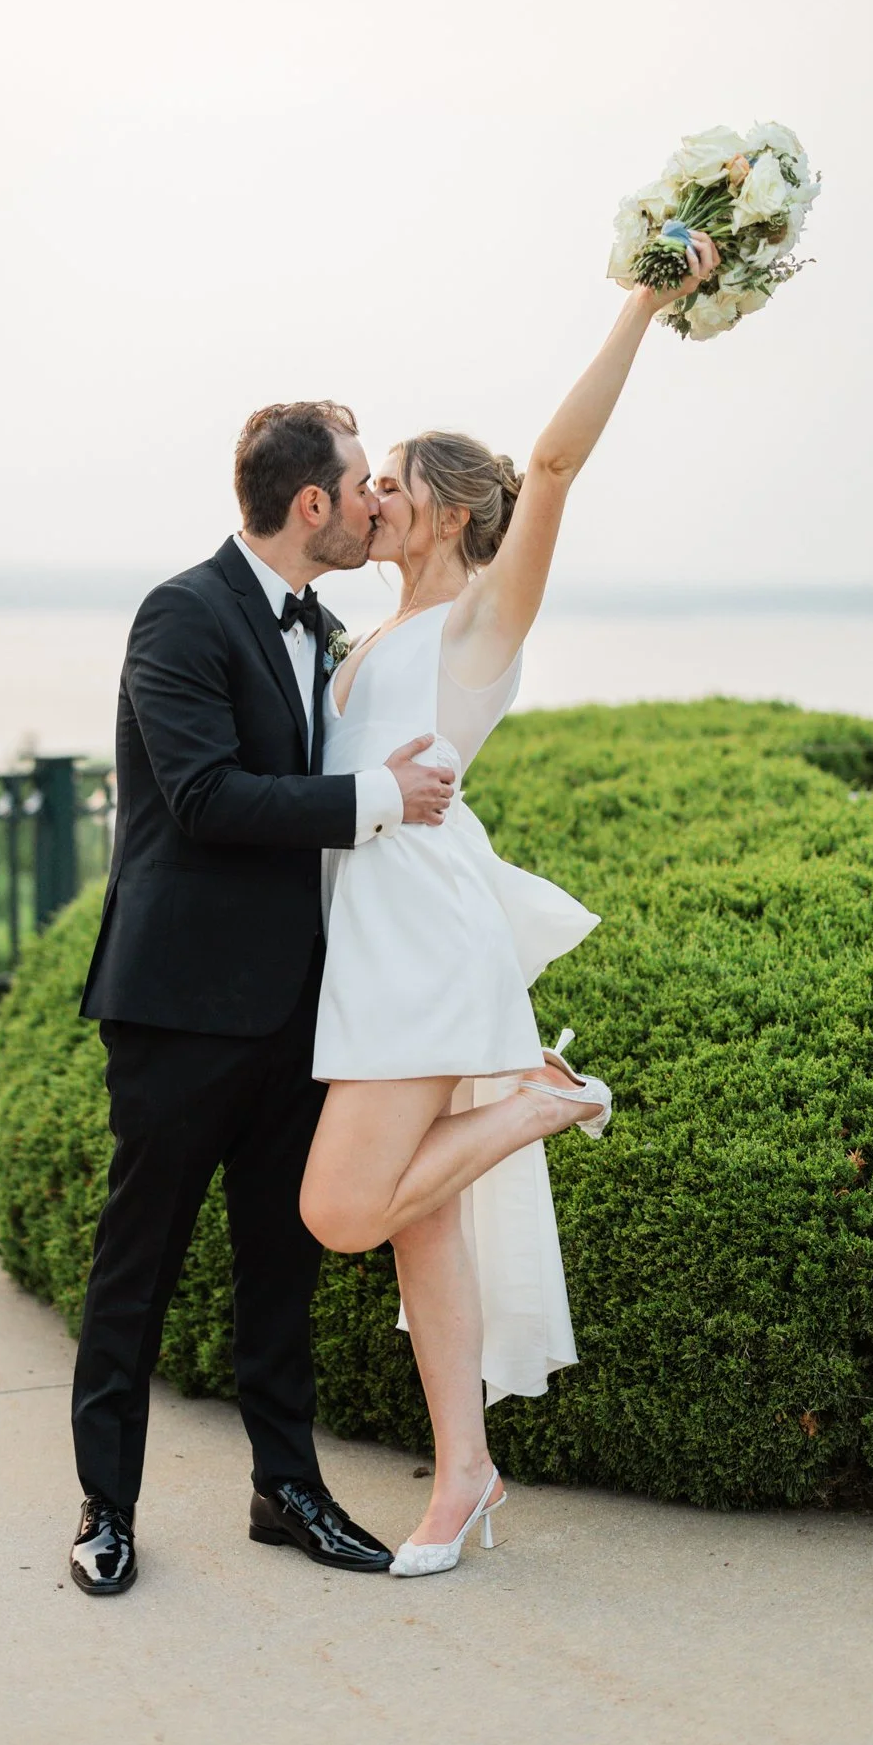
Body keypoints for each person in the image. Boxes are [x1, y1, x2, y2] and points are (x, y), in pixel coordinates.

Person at [299, 236, 720, 1576]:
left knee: (338, 1212)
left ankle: (547, 1096)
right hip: (365, 955)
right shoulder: (357, 639)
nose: (369, 497)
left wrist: (644, 302)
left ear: (445, 511)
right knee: (424, 1232)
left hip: (423, 953)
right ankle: (463, 1479)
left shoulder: (482, 621)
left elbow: (552, 466)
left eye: (389, 485)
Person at [68, 400, 458, 1594]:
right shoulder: (182, 613)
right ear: (311, 506)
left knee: (278, 1262)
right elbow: (203, 797)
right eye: (360, 486)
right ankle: (105, 1507)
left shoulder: (326, 623)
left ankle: (284, 1489)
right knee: (140, 1262)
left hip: (298, 1005)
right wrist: (378, 798)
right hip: (180, 1007)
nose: (371, 504)